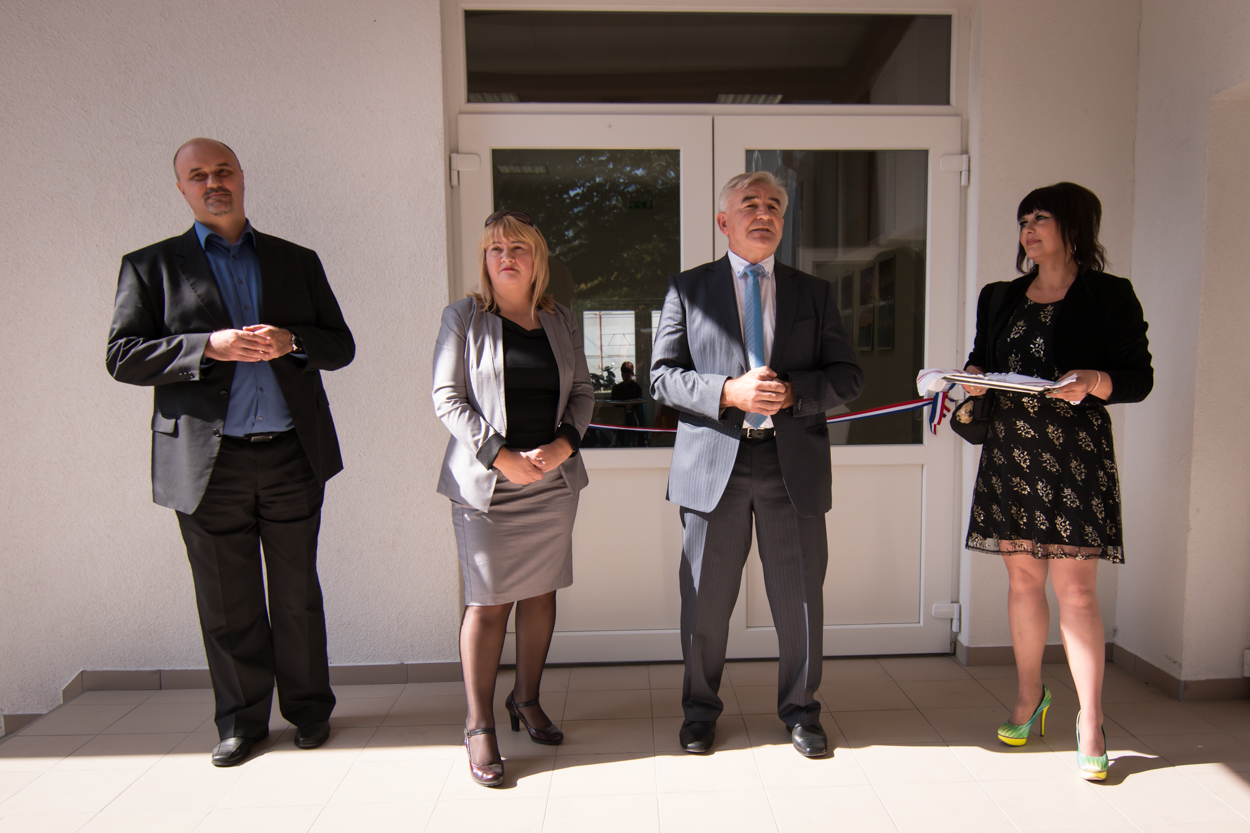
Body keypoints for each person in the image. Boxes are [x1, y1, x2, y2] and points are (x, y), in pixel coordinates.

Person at [106, 139, 355, 767]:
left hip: (292, 454)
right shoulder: (149, 266)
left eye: (223, 171)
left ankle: (309, 712)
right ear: (182, 188)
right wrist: (205, 347)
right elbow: (122, 356)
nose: (213, 182)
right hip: (205, 463)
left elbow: (340, 345)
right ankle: (242, 722)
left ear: (242, 178)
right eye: (198, 175)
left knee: (296, 593)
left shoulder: (295, 260)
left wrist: (292, 339)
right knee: (226, 599)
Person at [650, 172, 863, 758]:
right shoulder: (688, 289)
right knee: (705, 600)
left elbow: (848, 377)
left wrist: (793, 393)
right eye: (750, 204)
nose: (763, 213)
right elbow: (662, 377)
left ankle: (801, 711)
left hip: (789, 466)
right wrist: (727, 391)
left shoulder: (813, 293)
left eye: (773, 205)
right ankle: (699, 712)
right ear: (725, 221)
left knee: (800, 600)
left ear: (783, 222)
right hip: (713, 463)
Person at [961, 182, 1152, 781]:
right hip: (1011, 454)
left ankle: (1091, 720)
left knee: (1077, 592)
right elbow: (982, 357)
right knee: (1023, 582)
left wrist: (1093, 380)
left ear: (1074, 226)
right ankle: (1029, 696)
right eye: (1024, 220)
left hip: (1074, 456)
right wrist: (972, 377)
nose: (1028, 229)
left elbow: (1138, 378)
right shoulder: (999, 296)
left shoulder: (1109, 294)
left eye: (1040, 218)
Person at [432, 210, 594, 787]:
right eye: (495, 248)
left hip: (551, 482)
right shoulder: (464, 317)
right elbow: (447, 398)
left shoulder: (560, 319)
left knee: (541, 594)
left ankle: (525, 699)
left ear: (536, 258)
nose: (506, 256)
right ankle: (478, 725)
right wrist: (501, 457)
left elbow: (582, 392)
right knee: (489, 603)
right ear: (484, 258)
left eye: (518, 247)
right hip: (488, 487)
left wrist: (563, 446)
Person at [609, 361, 645, 447]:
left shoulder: (636, 388)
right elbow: (612, 404)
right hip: (617, 418)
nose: (625, 375)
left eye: (628, 372)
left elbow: (637, 406)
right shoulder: (617, 388)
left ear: (632, 373)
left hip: (630, 419)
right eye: (624, 372)